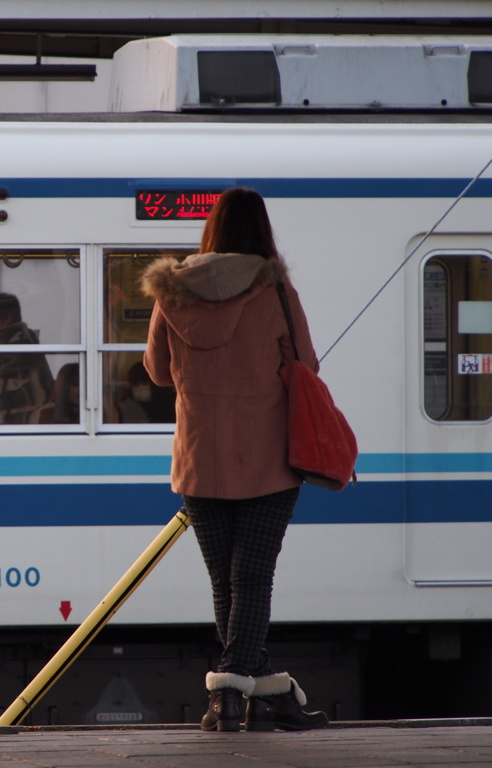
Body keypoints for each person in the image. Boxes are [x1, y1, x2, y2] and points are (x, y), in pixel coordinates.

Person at [141, 187, 329, 733]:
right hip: (269, 458)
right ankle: (228, 688)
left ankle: (268, 692)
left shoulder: (171, 292)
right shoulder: (274, 290)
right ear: (260, 231)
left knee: (226, 582)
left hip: (200, 460)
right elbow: (307, 366)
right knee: (252, 579)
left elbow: (155, 370)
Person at [0, 292, 54, 425]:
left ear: (7, 319)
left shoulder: (19, 349)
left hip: (26, 427)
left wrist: (2, 413)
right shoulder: (16, 343)